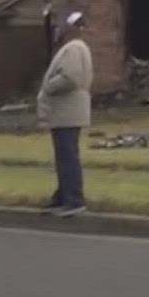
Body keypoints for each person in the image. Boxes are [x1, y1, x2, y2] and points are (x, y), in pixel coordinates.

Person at [38, 11, 92, 217]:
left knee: (68, 156)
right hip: (66, 112)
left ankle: (73, 200)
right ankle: (62, 196)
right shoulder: (75, 48)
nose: (57, 30)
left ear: (70, 28)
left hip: (67, 111)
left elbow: (70, 77)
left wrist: (48, 87)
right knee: (64, 155)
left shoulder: (73, 49)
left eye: (61, 26)